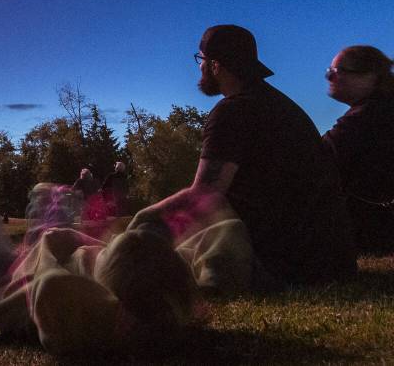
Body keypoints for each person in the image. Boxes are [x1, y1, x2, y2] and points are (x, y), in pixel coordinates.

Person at [132, 25, 356, 288]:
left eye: (200, 60)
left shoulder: (232, 111)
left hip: (287, 268)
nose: (199, 68)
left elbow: (206, 195)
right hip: (331, 261)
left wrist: (143, 220)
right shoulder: (278, 106)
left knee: (139, 248)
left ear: (215, 65)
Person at [0, 183, 199, 355]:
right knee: (46, 192)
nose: (104, 248)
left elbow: (50, 285)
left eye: (107, 251)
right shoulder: (147, 273)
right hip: (35, 255)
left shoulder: (81, 303)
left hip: (4, 278)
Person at [322, 45, 394, 253]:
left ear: (369, 76)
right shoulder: (381, 108)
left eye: (334, 72)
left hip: (376, 229)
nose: (329, 78)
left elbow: (317, 158)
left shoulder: (367, 117)